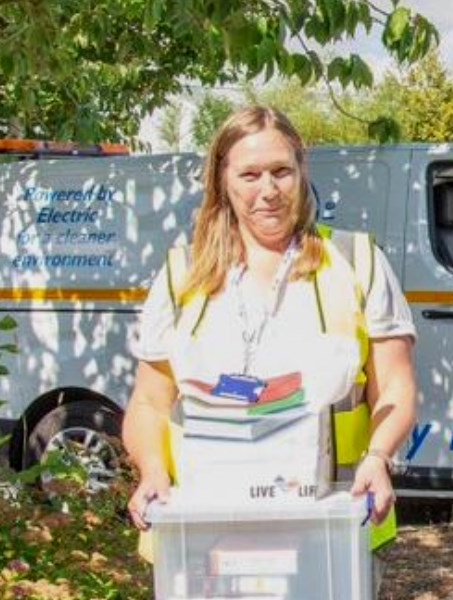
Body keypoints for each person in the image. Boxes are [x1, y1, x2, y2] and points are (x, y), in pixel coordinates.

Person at [123, 105, 417, 538]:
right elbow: (149, 401)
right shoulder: (181, 275)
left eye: (281, 171)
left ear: (301, 171)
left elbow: (395, 385)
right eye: (250, 175)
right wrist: (151, 471)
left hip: (330, 525)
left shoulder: (357, 263)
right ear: (222, 180)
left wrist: (377, 457)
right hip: (205, 529)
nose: (269, 190)